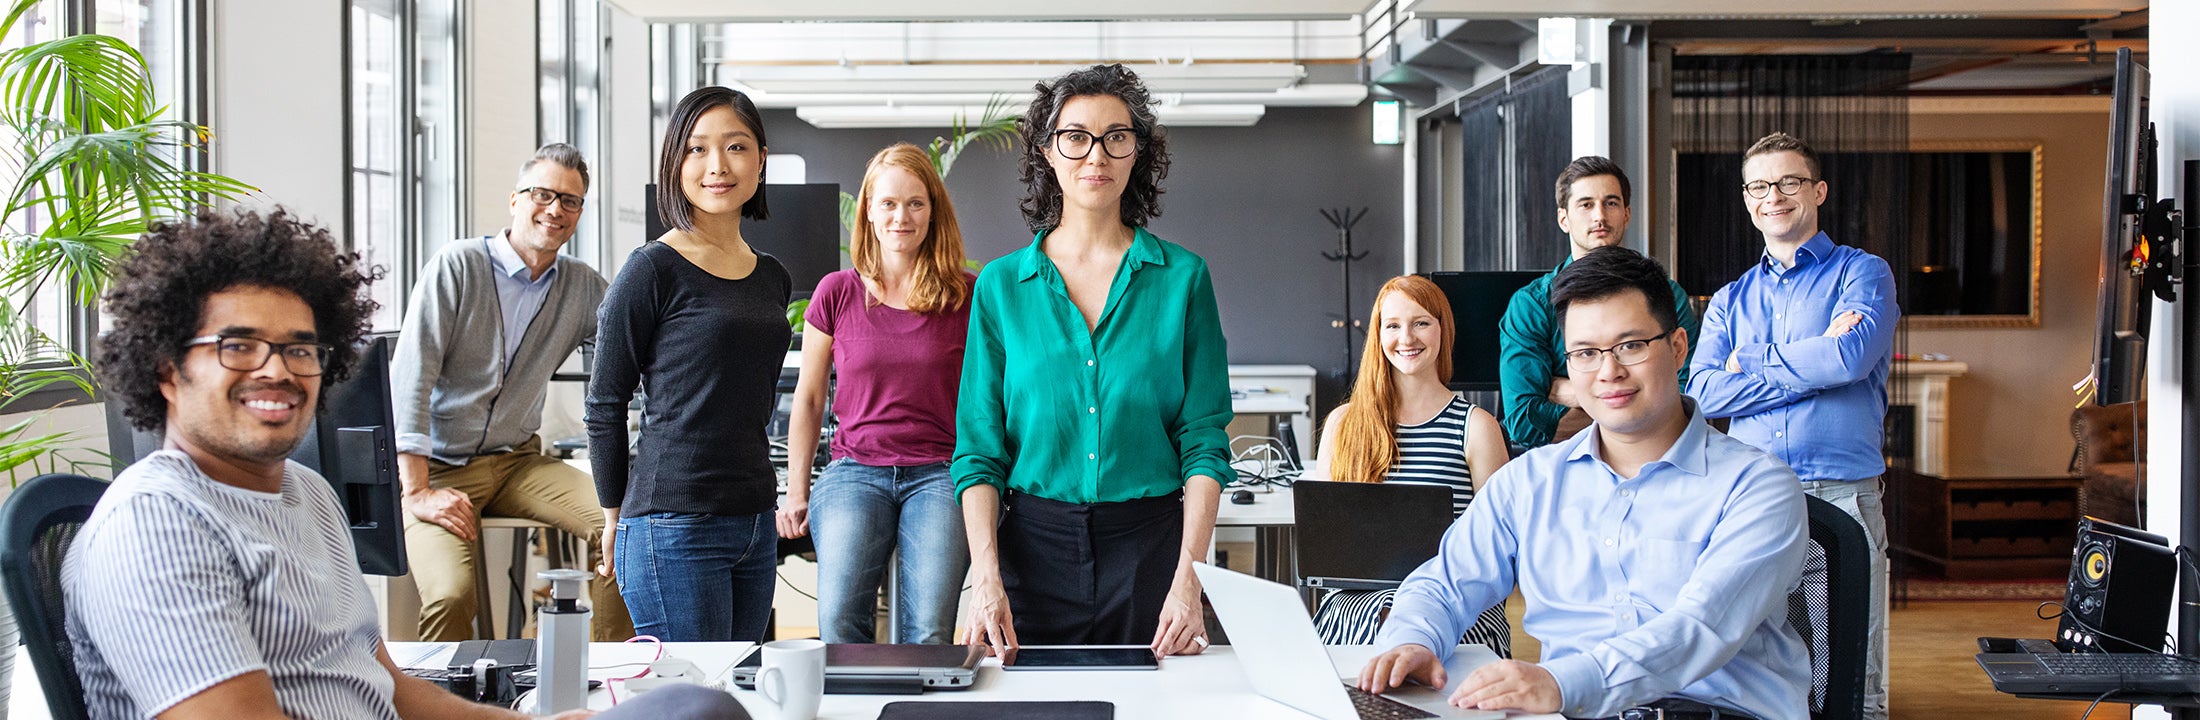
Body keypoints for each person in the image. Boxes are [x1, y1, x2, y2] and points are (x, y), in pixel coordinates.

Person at [69, 208, 742, 720]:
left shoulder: (305, 493)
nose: (277, 371)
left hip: (511, 464)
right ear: (165, 368)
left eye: (301, 349)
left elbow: (388, 688)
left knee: (696, 707)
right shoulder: (158, 525)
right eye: (239, 347)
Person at [1357, 246, 1809, 720]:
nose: (1608, 371)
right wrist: (1412, 640)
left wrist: (1561, 682)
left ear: (1677, 348)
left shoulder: (1758, 487)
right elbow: (1443, 584)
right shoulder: (1529, 481)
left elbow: (1700, 628)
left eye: (1631, 346)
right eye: (1586, 353)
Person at [954, 63, 1234, 658]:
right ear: (1047, 153)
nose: (1096, 155)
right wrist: (984, 578)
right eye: (1075, 136)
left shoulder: (1184, 278)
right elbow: (978, 452)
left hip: (1152, 555)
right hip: (1029, 553)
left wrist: (1191, 576)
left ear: (1138, 153)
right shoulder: (1001, 286)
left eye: (1117, 136)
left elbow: (1204, 439)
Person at [1685, 131, 1898, 720]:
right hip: (1756, 498)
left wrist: (1750, 360)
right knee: (1760, 660)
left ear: (1818, 190)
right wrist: (1813, 358)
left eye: (1788, 182)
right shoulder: (1731, 298)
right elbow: (1702, 391)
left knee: (1854, 669)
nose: (1772, 196)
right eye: (1759, 186)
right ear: (1747, 199)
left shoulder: (1865, 273)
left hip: (1843, 494)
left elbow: (1850, 359)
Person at [393, 142, 632, 642]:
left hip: (518, 464)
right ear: (515, 200)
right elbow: (412, 379)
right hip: (438, 469)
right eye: (543, 194)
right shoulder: (457, 266)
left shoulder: (584, 287)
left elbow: (629, 361)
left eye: (570, 201)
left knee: (622, 532)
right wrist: (415, 491)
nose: (555, 210)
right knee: (452, 595)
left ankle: (614, 686)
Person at [587, 86, 791, 643]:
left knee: (736, 694)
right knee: (694, 701)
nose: (717, 166)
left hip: (753, 517)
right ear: (675, 164)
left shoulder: (772, 275)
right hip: (673, 521)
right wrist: (612, 513)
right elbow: (605, 403)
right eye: (697, 149)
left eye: (736, 146)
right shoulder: (651, 269)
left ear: (760, 159)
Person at [777, 143, 974, 644]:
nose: (901, 216)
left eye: (915, 203)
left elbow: (994, 396)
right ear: (868, 210)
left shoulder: (966, 294)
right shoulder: (837, 291)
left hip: (940, 473)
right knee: (840, 621)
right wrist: (796, 490)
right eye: (887, 203)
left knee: (928, 629)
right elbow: (809, 398)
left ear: (934, 210)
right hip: (855, 472)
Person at [1307, 275, 1511, 652]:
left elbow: (1497, 550)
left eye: (1421, 323)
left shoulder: (1477, 428)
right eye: (1393, 325)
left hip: (1455, 599)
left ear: (1442, 329)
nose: (1407, 338)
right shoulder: (1342, 424)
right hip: (1358, 602)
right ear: (1379, 335)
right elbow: (1327, 549)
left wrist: (1416, 609)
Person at [1499, 156, 1698, 449]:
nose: (1599, 216)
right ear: (1563, 218)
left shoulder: (1665, 294)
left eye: (1611, 203)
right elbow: (1524, 421)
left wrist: (1567, 390)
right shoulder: (1531, 305)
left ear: (1627, 214)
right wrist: (1636, 399)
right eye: (1586, 204)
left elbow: (1687, 397)